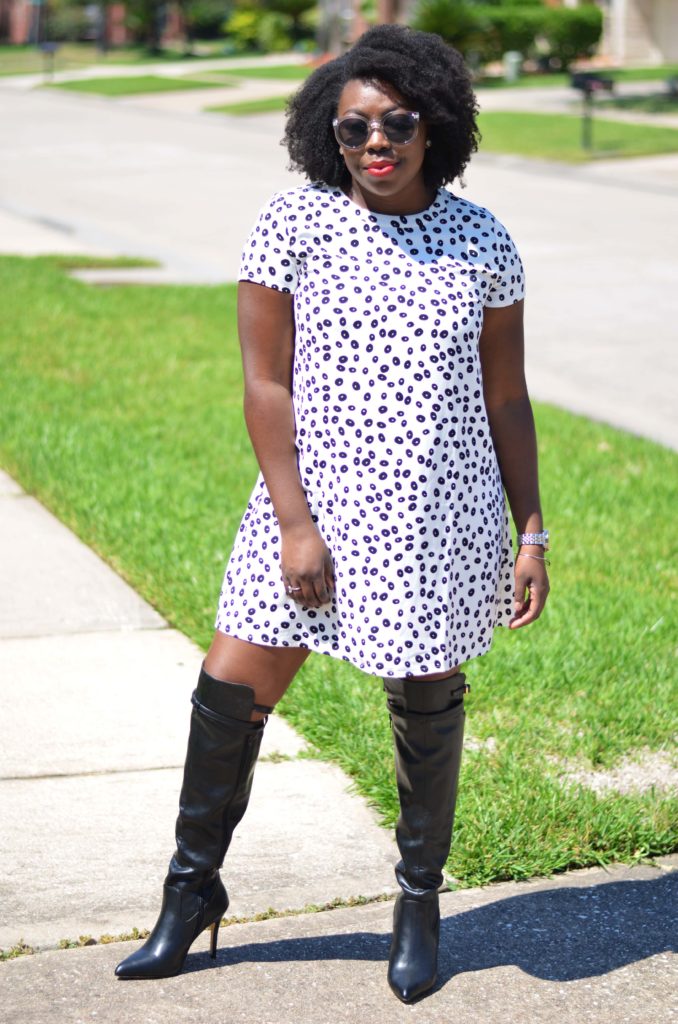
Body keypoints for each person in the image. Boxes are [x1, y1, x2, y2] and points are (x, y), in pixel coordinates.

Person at [115, 23, 549, 1003]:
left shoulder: (484, 240)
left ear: (435, 125)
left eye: (396, 123)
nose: (376, 143)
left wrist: (532, 532)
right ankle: (191, 891)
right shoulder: (293, 224)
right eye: (354, 128)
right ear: (330, 133)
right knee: (230, 692)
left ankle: (419, 903)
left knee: (427, 708)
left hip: (439, 515)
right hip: (311, 509)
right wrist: (296, 524)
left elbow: (507, 397)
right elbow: (264, 384)